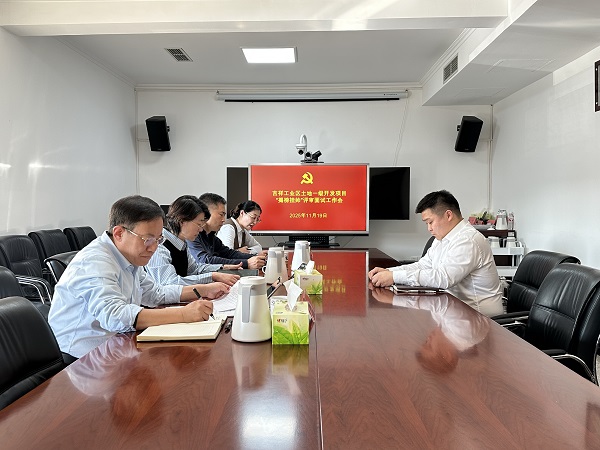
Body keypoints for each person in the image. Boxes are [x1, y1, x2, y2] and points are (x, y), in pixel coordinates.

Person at [48, 195, 230, 361]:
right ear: (119, 233)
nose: (154, 248)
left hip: (117, 342)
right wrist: (183, 314)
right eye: (148, 239)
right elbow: (115, 316)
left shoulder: (129, 256)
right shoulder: (95, 261)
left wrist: (202, 290)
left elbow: (155, 293)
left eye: (158, 240)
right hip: (83, 357)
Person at [368, 190, 503, 317]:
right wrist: (389, 271)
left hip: (479, 317)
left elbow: (443, 278)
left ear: (448, 215)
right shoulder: (442, 238)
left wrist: (394, 277)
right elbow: (423, 265)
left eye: (430, 222)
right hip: (454, 310)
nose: (429, 228)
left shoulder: (468, 240)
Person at [146, 195, 241, 287]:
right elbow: (170, 283)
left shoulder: (181, 243)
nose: (201, 229)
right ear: (181, 221)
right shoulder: (159, 245)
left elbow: (194, 269)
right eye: (199, 224)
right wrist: (212, 276)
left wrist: (222, 267)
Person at [188, 193, 267, 270]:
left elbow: (228, 253)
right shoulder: (192, 235)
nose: (223, 220)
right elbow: (205, 260)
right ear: (206, 213)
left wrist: (255, 258)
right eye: (221, 214)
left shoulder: (211, 236)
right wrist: (246, 263)